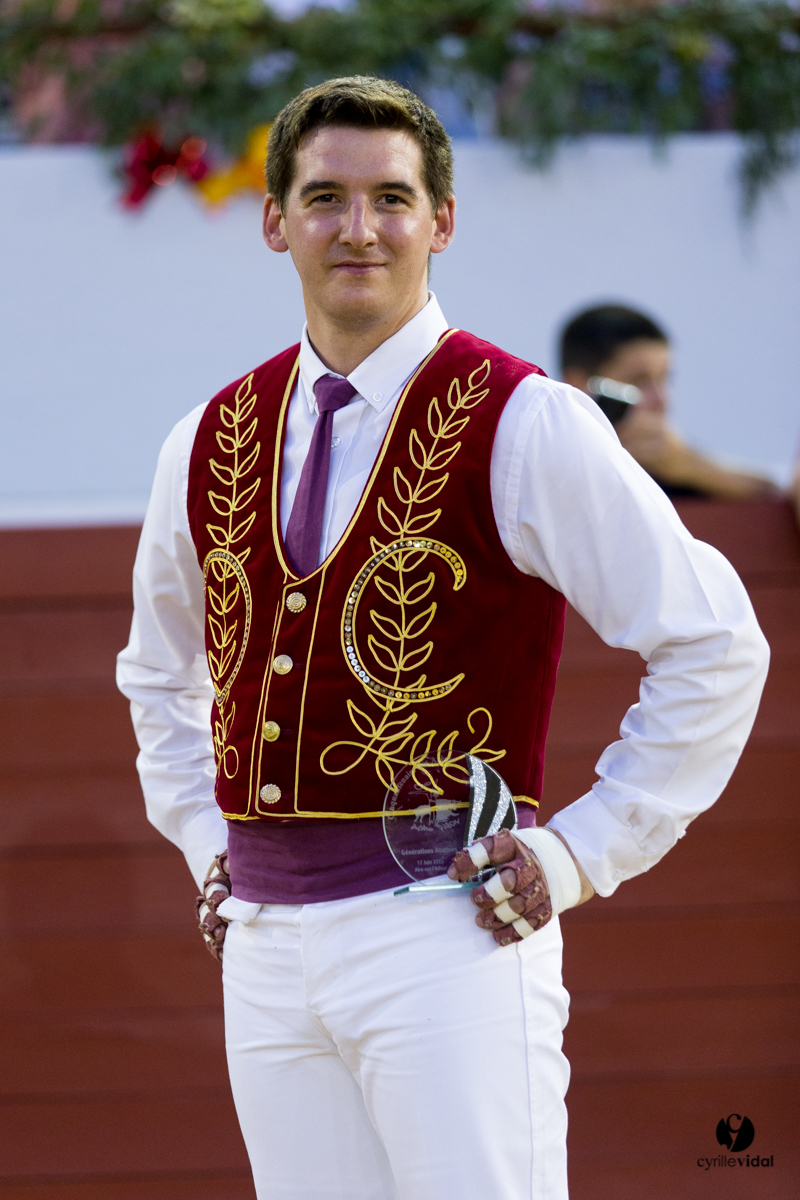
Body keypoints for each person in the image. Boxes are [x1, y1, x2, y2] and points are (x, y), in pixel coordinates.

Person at [117, 77, 769, 1200]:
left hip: (444, 928)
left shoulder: (525, 418)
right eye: (323, 197)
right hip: (265, 942)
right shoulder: (207, 436)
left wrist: (579, 852)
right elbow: (157, 673)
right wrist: (202, 837)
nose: (357, 229)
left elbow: (715, 644)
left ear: (441, 220)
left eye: (390, 198)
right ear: (274, 221)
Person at [560, 304, 777, 499]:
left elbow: (772, 497)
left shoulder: (674, 463)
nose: (662, 399)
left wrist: (689, 466)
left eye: (665, 378)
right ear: (578, 385)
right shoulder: (546, 460)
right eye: (639, 380)